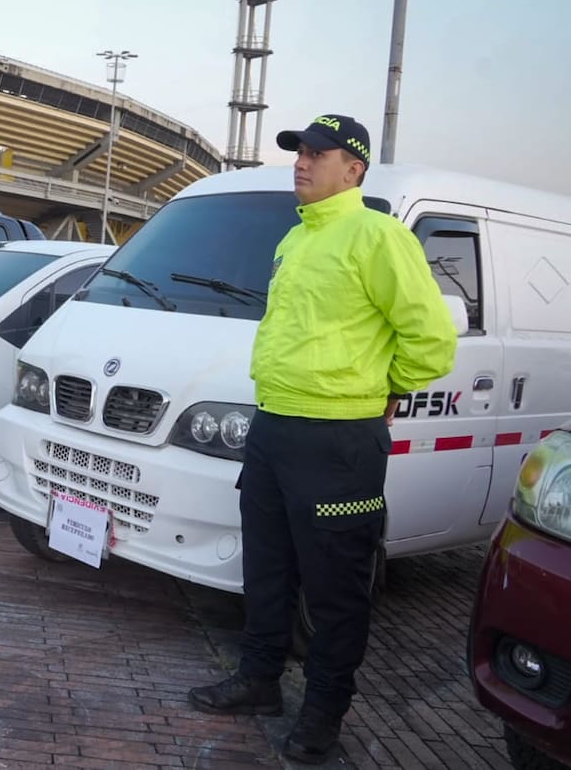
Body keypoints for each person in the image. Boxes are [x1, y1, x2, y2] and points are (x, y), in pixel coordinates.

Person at [187, 114, 458, 764]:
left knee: (334, 589)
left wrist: (385, 390)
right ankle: (258, 681)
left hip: (339, 442)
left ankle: (323, 713)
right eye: (298, 153)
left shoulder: (379, 237)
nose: (301, 163)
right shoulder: (295, 241)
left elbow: (433, 341)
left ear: (353, 169)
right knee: (267, 568)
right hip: (275, 428)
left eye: (316, 153)